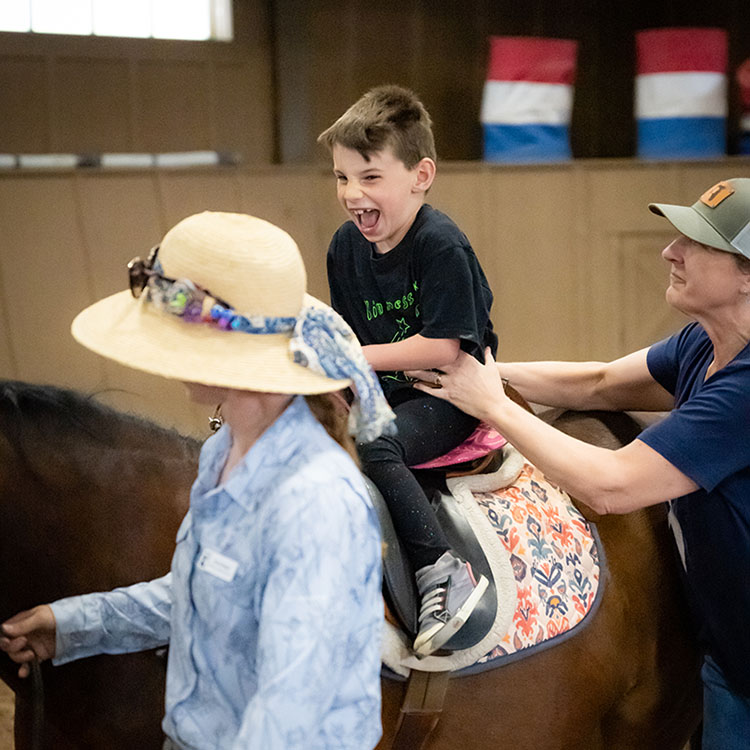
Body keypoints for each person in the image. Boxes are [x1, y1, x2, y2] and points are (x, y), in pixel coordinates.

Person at [0, 211, 394, 750]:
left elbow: (292, 715)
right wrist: (73, 625)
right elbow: (204, 592)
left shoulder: (315, 501)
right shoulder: (222, 452)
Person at [409, 177, 750, 749]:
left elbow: (614, 486)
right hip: (731, 657)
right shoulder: (703, 344)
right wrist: (467, 371)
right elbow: (597, 382)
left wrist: (490, 402)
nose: (671, 251)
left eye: (699, 243)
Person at [317, 84, 498, 657]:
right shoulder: (344, 248)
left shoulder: (440, 244)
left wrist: (350, 359)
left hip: (451, 398)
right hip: (386, 391)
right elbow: (350, 337)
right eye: (342, 178)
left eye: (370, 177)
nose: (351, 194)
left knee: (376, 446)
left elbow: (446, 346)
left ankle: (441, 568)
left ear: (421, 174)